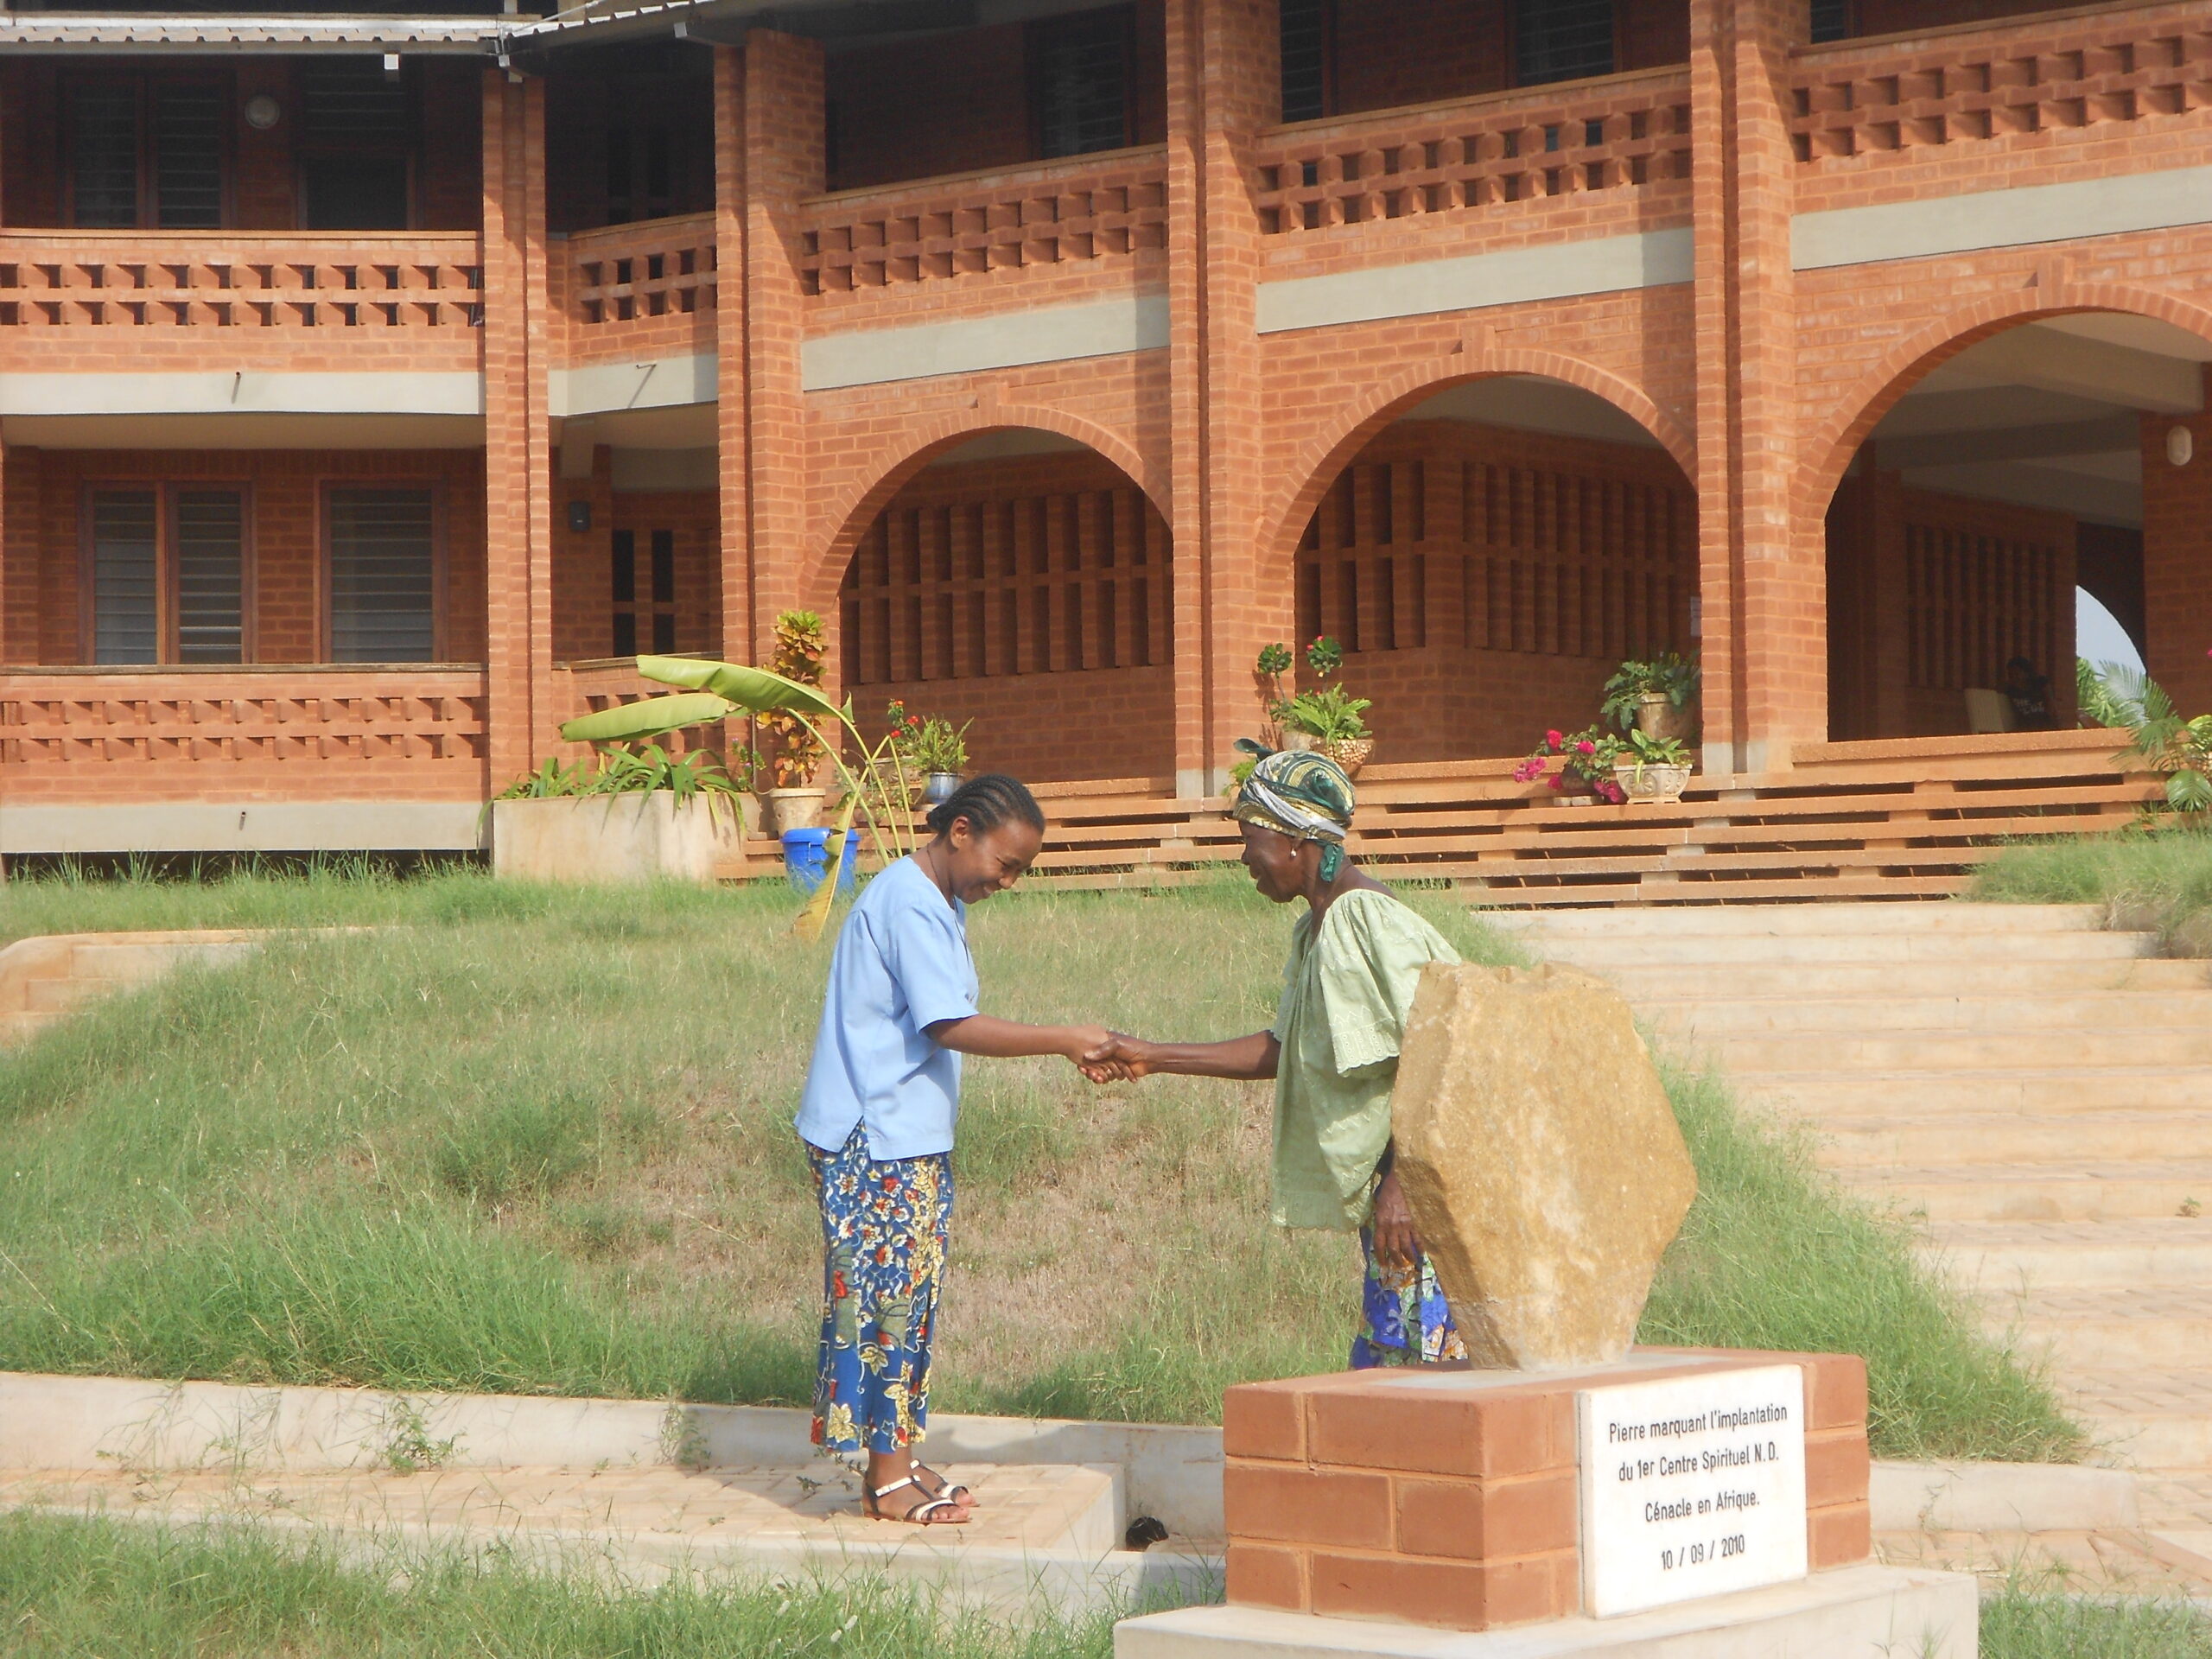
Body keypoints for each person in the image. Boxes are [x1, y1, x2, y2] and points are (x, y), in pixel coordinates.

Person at [1081, 745, 1467, 1368]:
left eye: (1251, 839)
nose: (1244, 858)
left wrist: (1406, 1183)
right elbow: (1285, 1050)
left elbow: (1447, 1047)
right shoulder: (1317, 928)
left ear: (1297, 842)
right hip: (1401, 1190)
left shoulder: (1365, 919)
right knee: (1396, 1363)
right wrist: (1150, 1055)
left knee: (1431, 1373)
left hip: (1425, 1188)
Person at [795, 773, 1113, 1525]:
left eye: (1022, 871)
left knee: (909, 1300)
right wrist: (1065, 1039)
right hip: (874, 1140)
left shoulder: (931, 900)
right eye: (1005, 864)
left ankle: (895, 1455)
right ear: (960, 831)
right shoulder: (909, 901)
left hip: (902, 1139)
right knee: (887, 1305)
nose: (1008, 881)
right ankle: (886, 1479)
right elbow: (948, 1024)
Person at [2005, 657, 2055, 730]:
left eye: (2017, 673)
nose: (2014, 677)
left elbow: (2051, 705)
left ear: (2026, 673)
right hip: (2025, 726)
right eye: (2010, 674)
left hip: (2043, 724)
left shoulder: (2040, 684)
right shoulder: (2009, 690)